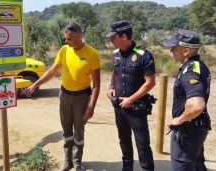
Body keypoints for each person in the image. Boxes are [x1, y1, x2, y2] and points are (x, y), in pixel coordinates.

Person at [24, 23, 101, 171]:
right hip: (65, 96)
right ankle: (67, 161)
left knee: (79, 131)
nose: (66, 42)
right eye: (65, 39)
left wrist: (91, 107)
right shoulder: (65, 50)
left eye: (69, 39)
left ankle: (77, 162)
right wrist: (35, 85)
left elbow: (97, 84)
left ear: (79, 35)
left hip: (82, 98)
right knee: (66, 130)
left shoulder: (92, 54)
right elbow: (52, 72)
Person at [106, 20, 155, 171]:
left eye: (113, 37)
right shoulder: (115, 55)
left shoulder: (143, 55)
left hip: (136, 108)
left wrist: (131, 99)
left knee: (142, 144)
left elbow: (150, 82)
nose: (110, 40)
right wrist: (111, 87)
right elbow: (115, 72)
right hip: (119, 106)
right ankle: (127, 168)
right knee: (124, 140)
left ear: (124, 36)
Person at [163, 29, 211, 171]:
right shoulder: (198, 65)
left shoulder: (190, 71)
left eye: (174, 47)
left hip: (188, 130)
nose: (171, 50)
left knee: (182, 166)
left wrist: (180, 119)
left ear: (186, 51)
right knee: (196, 166)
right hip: (196, 127)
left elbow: (197, 104)